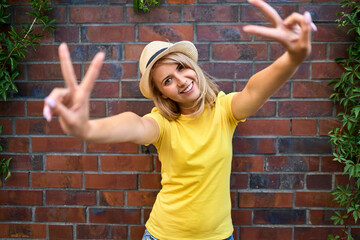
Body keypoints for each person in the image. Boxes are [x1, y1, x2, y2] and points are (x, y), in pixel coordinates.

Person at [42, 0, 317, 239]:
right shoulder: (162, 124)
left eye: (182, 67)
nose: (182, 81)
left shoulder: (225, 111)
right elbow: (133, 125)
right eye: (168, 80)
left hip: (219, 237)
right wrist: (88, 128)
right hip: (164, 236)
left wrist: (293, 57)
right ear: (162, 93)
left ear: (192, 65)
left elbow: (254, 90)